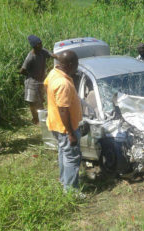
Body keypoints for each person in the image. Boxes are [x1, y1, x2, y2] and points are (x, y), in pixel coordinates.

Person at [44, 50, 83, 192]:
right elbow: (63, 110)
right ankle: (71, 191)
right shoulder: (63, 83)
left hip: (55, 124)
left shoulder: (54, 73)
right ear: (70, 64)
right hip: (65, 128)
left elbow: (46, 86)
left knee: (63, 153)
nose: (77, 67)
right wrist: (71, 133)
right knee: (72, 158)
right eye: (76, 64)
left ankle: (63, 180)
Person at [20, 35, 57, 124]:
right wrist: (31, 75)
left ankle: (42, 118)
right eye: (39, 44)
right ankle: (35, 119)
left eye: (41, 43)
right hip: (31, 82)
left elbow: (52, 55)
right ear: (34, 46)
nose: (41, 45)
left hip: (41, 81)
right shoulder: (30, 57)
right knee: (32, 102)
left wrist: (61, 57)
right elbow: (22, 70)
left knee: (40, 100)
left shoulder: (42, 51)